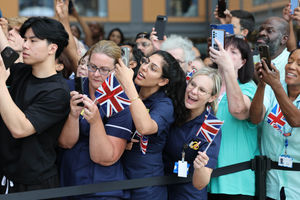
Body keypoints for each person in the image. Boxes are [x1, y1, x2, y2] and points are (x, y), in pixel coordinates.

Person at [0, 16, 70, 193]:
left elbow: (20, 128)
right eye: (25, 40)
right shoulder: (22, 71)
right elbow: (7, 54)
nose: (25, 45)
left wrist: (0, 83)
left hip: (34, 183)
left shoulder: (58, 92)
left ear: (52, 48)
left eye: (33, 41)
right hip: (7, 175)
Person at [59, 40, 132, 199]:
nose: (96, 74)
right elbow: (65, 143)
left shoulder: (120, 102)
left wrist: (96, 121)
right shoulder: (74, 88)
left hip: (103, 188)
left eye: (104, 69)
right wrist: (73, 115)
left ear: (116, 70)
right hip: (69, 181)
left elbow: (105, 158)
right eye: (92, 67)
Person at [115, 50, 187, 200]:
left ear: (163, 81)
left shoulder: (164, 104)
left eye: (153, 68)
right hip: (118, 176)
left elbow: (145, 127)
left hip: (147, 184)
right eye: (145, 61)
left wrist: (128, 84)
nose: (144, 68)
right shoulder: (129, 91)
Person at [208, 35, 259, 200]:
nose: (225, 54)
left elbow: (239, 110)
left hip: (236, 181)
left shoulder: (249, 87)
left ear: (243, 62)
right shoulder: (207, 87)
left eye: (233, 52)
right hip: (205, 178)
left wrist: (228, 69)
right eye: (223, 49)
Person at [164, 67, 222, 200]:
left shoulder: (210, 126)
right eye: (192, 84)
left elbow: (200, 184)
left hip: (187, 195)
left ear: (212, 97)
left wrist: (200, 167)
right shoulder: (172, 108)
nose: (193, 91)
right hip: (157, 189)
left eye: (202, 90)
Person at [249, 49, 300, 200]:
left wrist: (275, 84)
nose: (291, 66)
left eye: (299, 64)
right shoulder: (273, 87)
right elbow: (255, 118)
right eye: (290, 61)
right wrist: (263, 84)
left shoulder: (276, 86)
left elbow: (296, 120)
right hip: (271, 184)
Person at [256, 17, 289, 82]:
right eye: (260, 30)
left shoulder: (291, 63)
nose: (261, 33)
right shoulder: (250, 60)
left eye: (269, 31)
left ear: (284, 39)